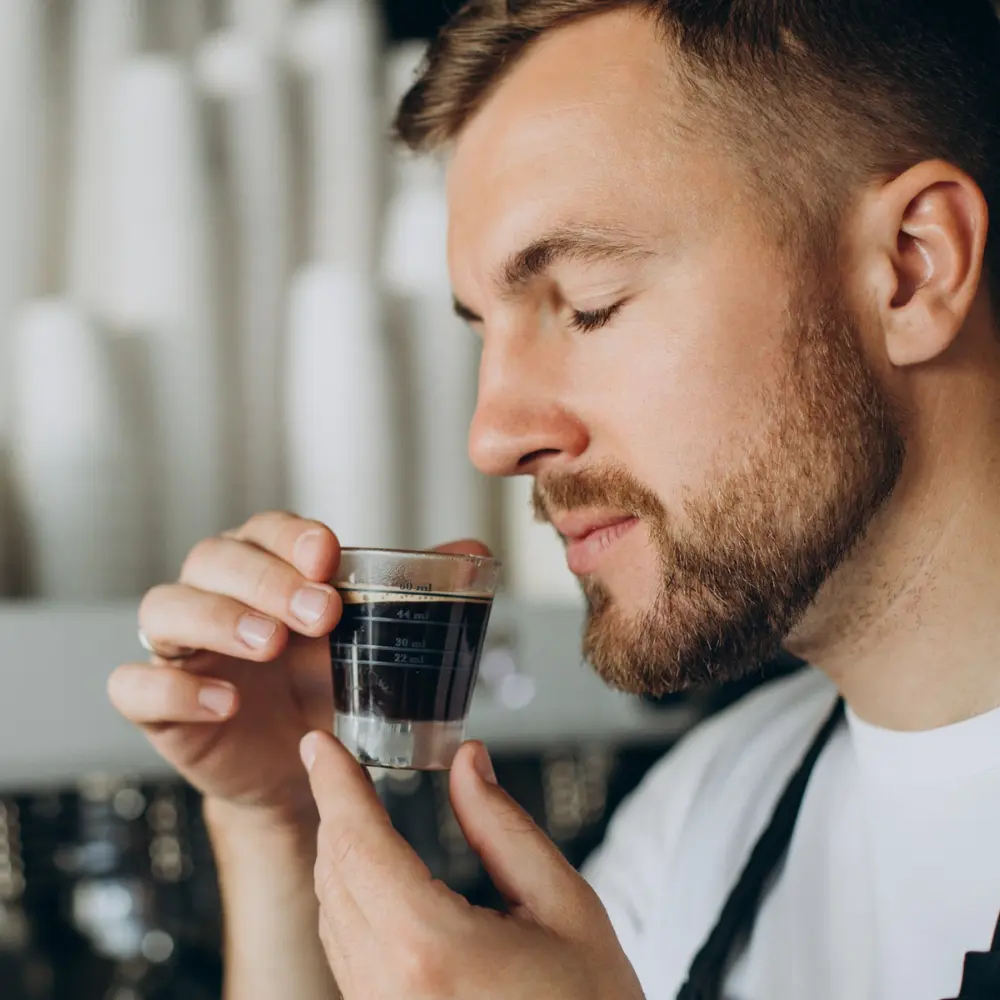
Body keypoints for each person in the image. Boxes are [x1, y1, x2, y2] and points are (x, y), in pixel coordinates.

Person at [110, 1, 1000, 998]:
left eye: (588, 302)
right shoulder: (716, 806)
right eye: (481, 333)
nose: (493, 439)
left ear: (913, 269)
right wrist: (284, 822)